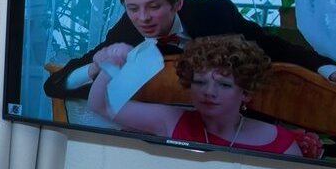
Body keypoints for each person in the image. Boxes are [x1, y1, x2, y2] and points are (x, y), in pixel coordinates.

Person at [43, 0, 336, 100]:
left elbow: (277, 48)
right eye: (133, 8)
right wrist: (94, 69)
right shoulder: (126, 31)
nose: (143, 18)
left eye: (154, 6)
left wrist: (335, 74)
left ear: (177, 3)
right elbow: (55, 85)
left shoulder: (215, 13)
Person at [87, 35, 302, 155]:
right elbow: (101, 106)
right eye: (199, 82)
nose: (209, 92)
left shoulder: (281, 142)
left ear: (246, 92)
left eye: (224, 85)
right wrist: (111, 65)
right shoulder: (171, 119)